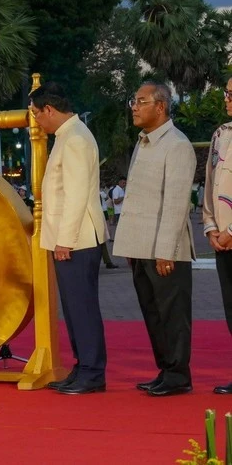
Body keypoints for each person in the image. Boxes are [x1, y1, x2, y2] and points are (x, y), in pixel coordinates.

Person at [113, 82, 196, 397]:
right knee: (152, 311)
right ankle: (165, 370)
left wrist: (165, 253)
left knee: (172, 314)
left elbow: (175, 205)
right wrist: (132, 247)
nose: (134, 107)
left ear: (160, 106)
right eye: (133, 101)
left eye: (140, 101)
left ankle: (178, 375)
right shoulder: (144, 142)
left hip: (166, 250)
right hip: (141, 246)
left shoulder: (176, 144)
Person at [30, 83, 107, 394]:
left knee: (82, 307)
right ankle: (82, 366)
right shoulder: (67, 137)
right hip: (71, 238)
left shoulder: (75, 139)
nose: (35, 121)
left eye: (36, 114)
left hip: (77, 239)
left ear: (50, 109)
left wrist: (65, 240)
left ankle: (92, 371)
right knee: (74, 308)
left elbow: (74, 197)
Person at [201, 77, 232, 395]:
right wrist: (211, 226)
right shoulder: (221, 135)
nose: (226, 99)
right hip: (222, 241)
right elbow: (210, 183)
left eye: (230, 94)